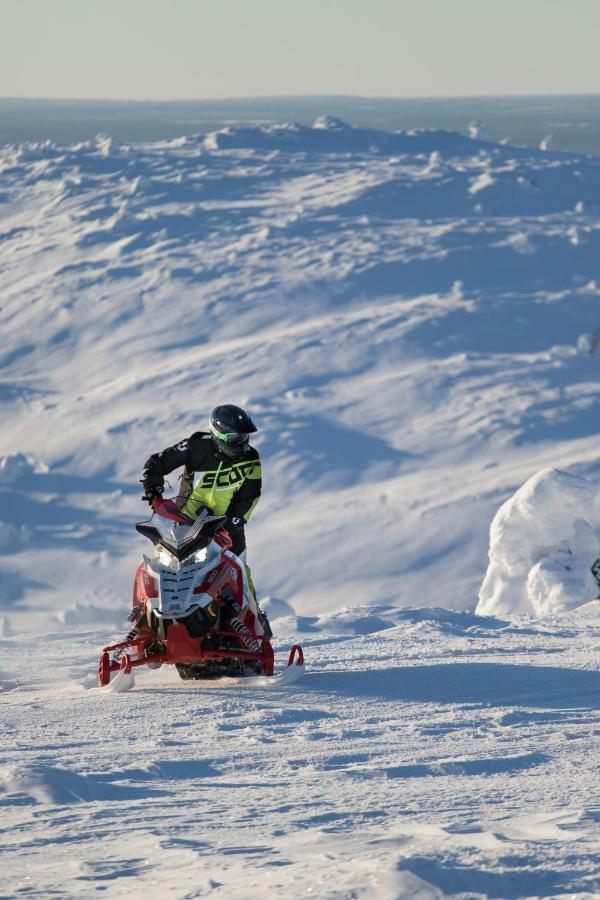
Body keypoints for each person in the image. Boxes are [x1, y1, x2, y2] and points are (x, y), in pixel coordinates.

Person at [141, 404, 261, 561]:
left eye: (244, 436)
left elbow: (250, 495)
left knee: (240, 571)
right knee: (174, 570)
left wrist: (235, 519)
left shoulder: (251, 457)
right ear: (219, 434)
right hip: (187, 526)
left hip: (227, 527)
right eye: (235, 438)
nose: (243, 443)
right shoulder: (196, 445)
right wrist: (154, 492)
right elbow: (157, 462)